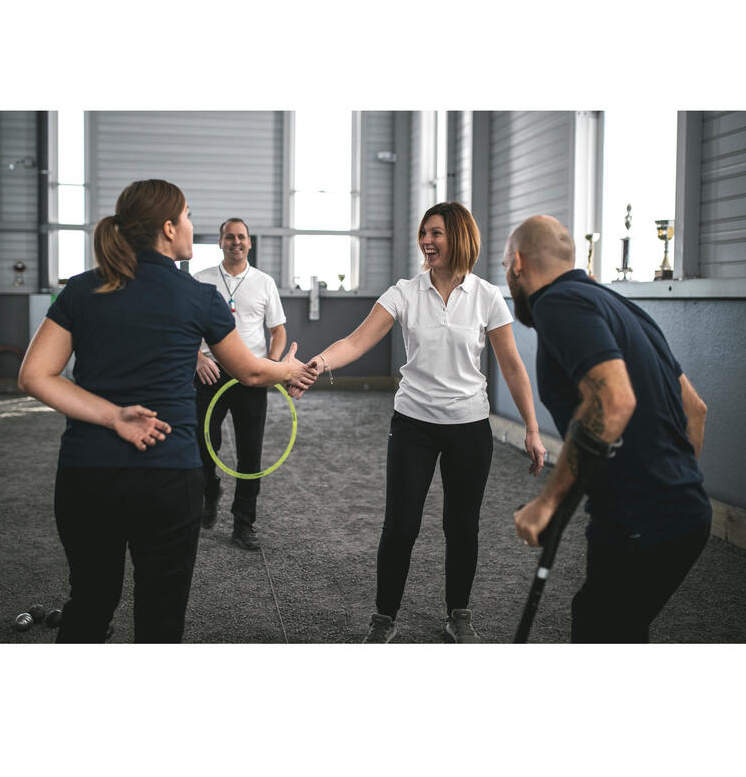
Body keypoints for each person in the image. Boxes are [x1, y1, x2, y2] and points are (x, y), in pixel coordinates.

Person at [17, 179, 316, 643]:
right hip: (167, 476)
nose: (193, 228)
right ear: (169, 227)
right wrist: (288, 368)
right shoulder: (198, 296)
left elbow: (34, 375)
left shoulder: (79, 289)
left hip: (85, 474)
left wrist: (112, 416)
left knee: (89, 604)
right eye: (189, 216)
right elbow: (251, 373)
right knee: (161, 617)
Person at [300, 201, 546, 643]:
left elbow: (512, 366)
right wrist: (317, 363)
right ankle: (384, 617)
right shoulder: (404, 292)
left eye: (436, 233)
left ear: (459, 237)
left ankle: (459, 613)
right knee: (401, 525)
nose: (427, 241)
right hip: (413, 422)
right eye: (424, 233)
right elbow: (356, 341)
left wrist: (531, 426)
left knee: (462, 524)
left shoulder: (487, 296)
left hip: (470, 426)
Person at [506, 215, 711, 643]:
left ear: (518, 264)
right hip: (688, 512)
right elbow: (696, 409)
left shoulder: (556, 304)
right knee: (619, 627)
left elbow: (612, 399)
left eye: (507, 266)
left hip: (639, 521)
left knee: (602, 629)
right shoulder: (619, 304)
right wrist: (671, 487)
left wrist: (548, 501)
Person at [192, 218, 287, 550]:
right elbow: (185, 329)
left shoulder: (264, 282)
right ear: (220, 242)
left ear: (250, 243)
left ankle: (244, 523)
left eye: (242, 237)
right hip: (209, 373)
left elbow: (278, 332)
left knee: (250, 453)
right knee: (203, 446)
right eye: (230, 237)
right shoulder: (200, 281)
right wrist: (197, 358)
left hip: (251, 376)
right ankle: (209, 490)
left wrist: (272, 365)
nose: (236, 242)